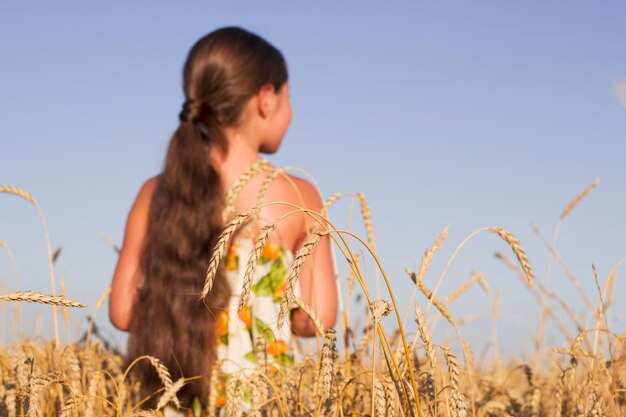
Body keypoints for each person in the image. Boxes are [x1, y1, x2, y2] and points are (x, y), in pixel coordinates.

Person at [108, 27, 337, 412]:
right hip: (265, 403)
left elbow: (123, 312)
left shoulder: (155, 193)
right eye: (289, 96)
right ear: (266, 99)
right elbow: (313, 322)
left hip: (175, 401)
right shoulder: (299, 196)